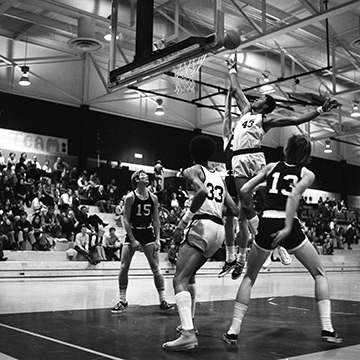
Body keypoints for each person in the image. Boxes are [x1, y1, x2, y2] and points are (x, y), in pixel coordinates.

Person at [220, 53, 339, 280]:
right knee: (245, 207)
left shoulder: (266, 119)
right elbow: (235, 89)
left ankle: (280, 244)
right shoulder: (246, 111)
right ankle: (272, 244)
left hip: (254, 158)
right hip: (237, 159)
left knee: (266, 203)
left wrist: (321, 110)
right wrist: (232, 68)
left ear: (266, 106)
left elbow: (295, 121)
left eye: (260, 99)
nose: (254, 99)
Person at [223, 134, 342, 346]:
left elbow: (243, 190)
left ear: (286, 150)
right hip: (289, 224)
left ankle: (233, 331)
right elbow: (294, 195)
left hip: (267, 221)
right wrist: (287, 227)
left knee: (250, 277)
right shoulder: (307, 174)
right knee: (319, 274)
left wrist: (255, 205)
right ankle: (328, 329)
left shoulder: (271, 167)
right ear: (306, 155)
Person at [162, 135, 239, 351]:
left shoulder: (191, 170)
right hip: (219, 232)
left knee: (179, 279)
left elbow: (203, 192)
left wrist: (183, 221)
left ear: (192, 152)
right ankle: (189, 324)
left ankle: (188, 334)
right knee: (190, 276)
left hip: (201, 226)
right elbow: (233, 210)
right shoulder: (219, 178)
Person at [111, 169, 173, 314]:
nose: (146, 177)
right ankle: (122, 300)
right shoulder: (129, 197)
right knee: (124, 266)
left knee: (156, 268)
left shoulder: (154, 198)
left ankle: (163, 300)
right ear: (137, 180)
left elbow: (156, 220)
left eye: (146, 175)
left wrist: (157, 239)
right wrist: (132, 239)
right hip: (133, 230)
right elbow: (125, 220)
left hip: (147, 232)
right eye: (142, 175)